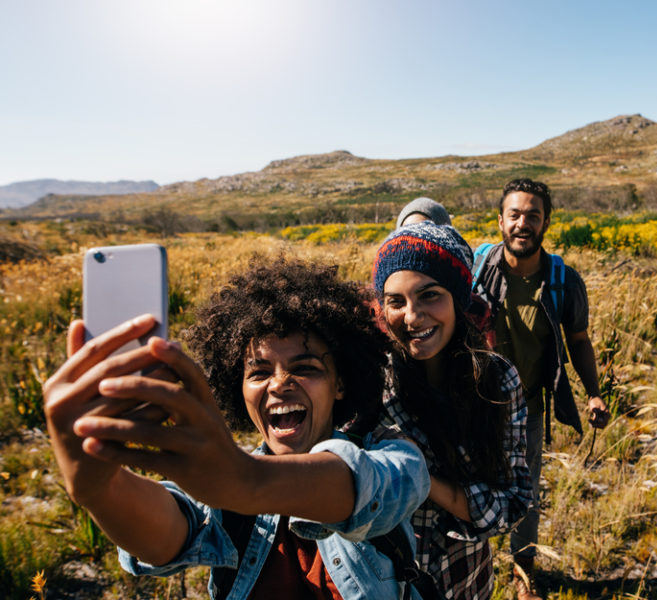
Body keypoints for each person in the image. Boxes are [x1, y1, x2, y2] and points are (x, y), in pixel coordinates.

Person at [42, 258, 431, 599]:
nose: (279, 384)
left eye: (305, 368)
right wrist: (100, 488)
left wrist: (246, 482)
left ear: (340, 384)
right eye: (259, 372)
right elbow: (167, 535)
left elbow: (373, 488)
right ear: (237, 388)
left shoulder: (392, 456)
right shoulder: (221, 485)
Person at [372, 222, 532, 599]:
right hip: (383, 584)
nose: (412, 316)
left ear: (459, 298)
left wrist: (419, 476)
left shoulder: (496, 380)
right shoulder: (371, 384)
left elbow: (512, 503)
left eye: (429, 295)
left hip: (465, 580)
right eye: (396, 301)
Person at [471, 178, 611, 600]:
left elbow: (580, 340)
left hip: (528, 408)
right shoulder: (475, 272)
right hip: (475, 404)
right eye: (515, 215)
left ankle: (522, 571)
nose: (523, 223)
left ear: (546, 222)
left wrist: (593, 391)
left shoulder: (562, 281)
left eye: (533, 215)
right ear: (500, 220)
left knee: (526, 491)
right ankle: (472, 563)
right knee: (470, 484)